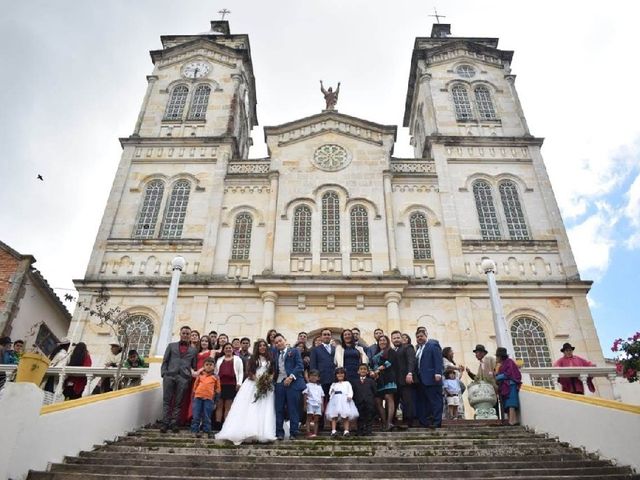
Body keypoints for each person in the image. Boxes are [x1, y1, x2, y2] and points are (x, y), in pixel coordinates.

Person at [216, 339, 276, 444]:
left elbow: (272, 372)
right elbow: (249, 372)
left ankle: (262, 431)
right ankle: (248, 430)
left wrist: (267, 381)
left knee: (264, 408)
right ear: (257, 347)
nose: (262, 347)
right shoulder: (252, 358)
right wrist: (258, 381)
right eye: (260, 345)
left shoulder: (270, 359)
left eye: (264, 345)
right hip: (253, 384)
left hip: (266, 386)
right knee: (251, 407)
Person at [160, 325, 198, 433]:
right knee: (167, 401)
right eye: (184, 333)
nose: (185, 335)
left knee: (178, 402)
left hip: (184, 378)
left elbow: (194, 366)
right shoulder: (171, 346)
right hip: (169, 376)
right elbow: (165, 361)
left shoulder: (193, 350)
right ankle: (165, 423)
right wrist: (164, 374)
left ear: (190, 335)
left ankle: (174, 423)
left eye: (187, 334)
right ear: (180, 334)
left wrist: (188, 377)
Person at [273, 333, 306, 440]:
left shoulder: (294, 351)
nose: (278, 343)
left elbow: (300, 366)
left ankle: (293, 432)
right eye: (276, 342)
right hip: (279, 384)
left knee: (293, 408)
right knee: (279, 409)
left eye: (280, 341)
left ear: (285, 340)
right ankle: (280, 433)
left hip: (293, 383)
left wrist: (291, 377)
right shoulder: (275, 354)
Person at [414, 328, 444, 429]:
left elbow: (438, 359)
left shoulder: (432, 345)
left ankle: (437, 422)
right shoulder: (418, 349)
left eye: (421, 336)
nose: (419, 338)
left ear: (426, 336)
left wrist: (438, 373)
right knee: (423, 402)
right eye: (417, 337)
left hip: (432, 378)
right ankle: (425, 422)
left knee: (435, 401)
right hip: (421, 379)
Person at [214, 343, 244, 430]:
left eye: (230, 348)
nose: (228, 349)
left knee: (228, 406)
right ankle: (217, 424)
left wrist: (239, 383)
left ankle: (225, 425)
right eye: (226, 348)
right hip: (220, 385)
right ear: (223, 350)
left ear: (232, 349)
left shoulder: (238, 359)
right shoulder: (219, 360)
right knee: (219, 405)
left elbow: (240, 372)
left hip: (231, 385)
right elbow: (216, 372)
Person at [371, 334, 398, 431]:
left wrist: (377, 370)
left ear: (387, 342)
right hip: (378, 380)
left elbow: (389, 362)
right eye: (380, 340)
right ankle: (383, 422)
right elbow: (371, 364)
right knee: (377, 401)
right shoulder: (376, 353)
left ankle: (389, 422)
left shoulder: (391, 351)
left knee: (388, 397)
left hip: (388, 378)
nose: (382, 342)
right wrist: (372, 372)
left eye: (384, 340)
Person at [390, 330, 416, 427]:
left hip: (406, 380)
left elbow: (411, 361)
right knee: (395, 401)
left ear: (401, 338)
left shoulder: (407, 347)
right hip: (395, 382)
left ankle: (407, 422)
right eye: (394, 338)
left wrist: (410, 373)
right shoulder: (392, 351)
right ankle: (392, 420)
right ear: (391, 340)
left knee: (407, 401)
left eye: (398, 337)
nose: (396, 340)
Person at [191, 357, 220, 438]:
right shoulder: (200, 376)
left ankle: (206, 431)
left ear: (214, 367)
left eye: (211, 365)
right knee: (196, 415)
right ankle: (194, 430)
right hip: (198, 398)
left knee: (206, 416)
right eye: (207, 365)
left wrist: (215, 402)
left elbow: (218, 390)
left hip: (209, 399)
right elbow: (195, 387)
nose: (209, 366)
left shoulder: (216, 377)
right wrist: (193, 397)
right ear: (203, 366)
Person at [325, 367, 359, 437]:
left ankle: (346, 431)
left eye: (342, 373)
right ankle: (333, 431)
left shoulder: (347, 383)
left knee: (345, 415)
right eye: (338, 373)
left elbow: (350, 390)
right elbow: (330, 393)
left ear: (344, 375)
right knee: (334, 416)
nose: (340, 375)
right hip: (335, 401)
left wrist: (350, 396)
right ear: (335, 375)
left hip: (345, 400)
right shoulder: (334, 384)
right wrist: (332, 391)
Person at [495, 347, 522, 426]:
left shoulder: (509, 362)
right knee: (507, 404)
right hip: (504, 386)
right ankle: (510, 420)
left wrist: (498, 377)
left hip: (510, 385)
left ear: (500, 357)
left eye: (497, 356)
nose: (496, 358)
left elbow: (509, 373)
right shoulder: (502, 365)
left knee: (511, 403)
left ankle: (512, 421)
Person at [352, 363, 377, 436]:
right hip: (358, 401)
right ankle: (360, 431)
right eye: (361, 369)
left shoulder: (371, 381)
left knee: (369, 417)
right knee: (360, 417)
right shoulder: (354, 382)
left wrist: (371, 399)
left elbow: (374, 391)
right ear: (358, 371)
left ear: (367, 371)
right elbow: (353, 392)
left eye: (364, 369)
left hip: (369, 402)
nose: (363, 370)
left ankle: (369, 431)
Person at [442, 347, 465, 419]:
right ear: (447, 353)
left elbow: (458, 378)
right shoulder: (444, 360)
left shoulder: (452, 363)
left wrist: (461, 371)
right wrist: (457, 368)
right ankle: (450, 417)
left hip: (456, 389)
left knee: (457, 405)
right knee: (450, 404)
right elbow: (447, 367)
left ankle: (457, 416)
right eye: (451, 351)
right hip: (449, 388)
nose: (453, 353)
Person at [303, 369, 325, 438]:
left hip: (318, 404)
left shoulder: (319, 386)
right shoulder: (307, 385)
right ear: (308, 377)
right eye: (311, 376)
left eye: (315, 376)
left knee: (316, 419)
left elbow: (322, 396)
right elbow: (305, 395)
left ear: (318, 378)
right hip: (310, 403)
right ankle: (308, 432)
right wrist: (305, 404)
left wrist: (322, 406)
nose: (313, 377)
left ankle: (315, 433)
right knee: (309, 418)